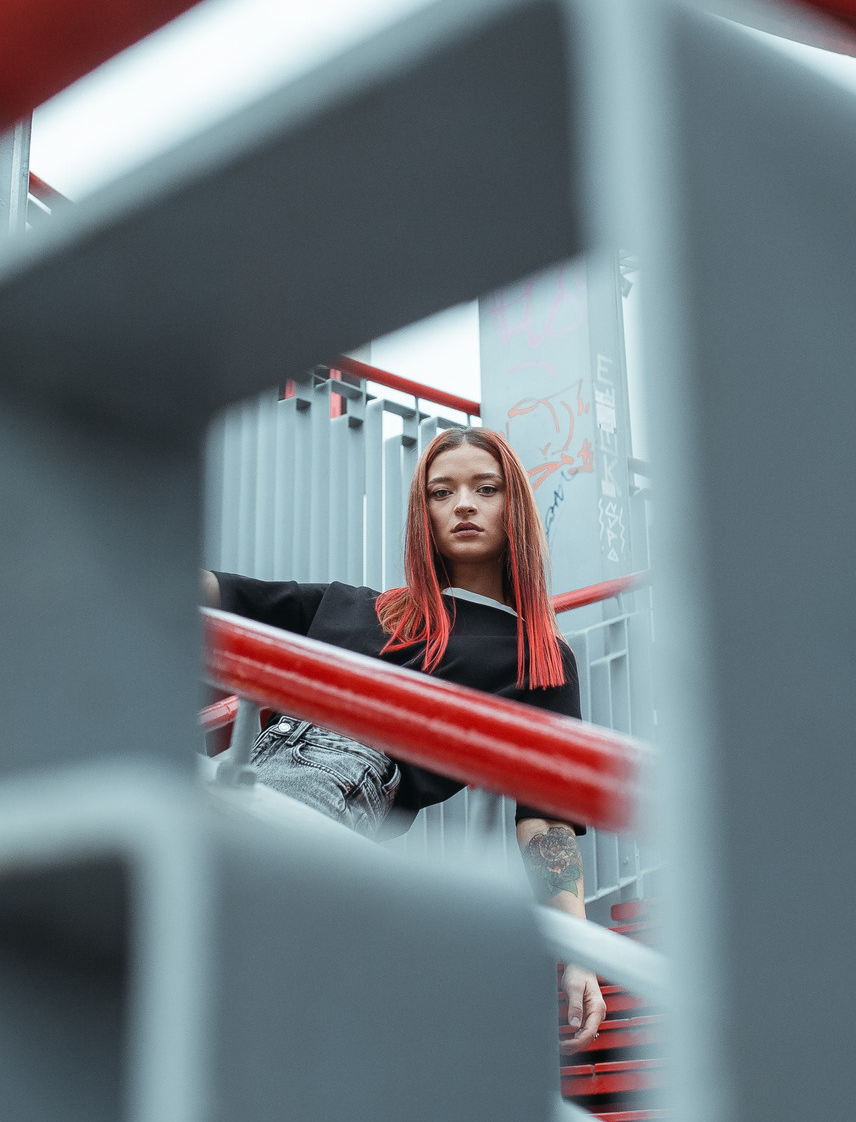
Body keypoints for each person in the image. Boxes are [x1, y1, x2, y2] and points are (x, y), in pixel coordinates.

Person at [203, 425, 607, 1049]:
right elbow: (222, 596)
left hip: (347, 783)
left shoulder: (536, 659)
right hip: (245, 765)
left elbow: (546, 821)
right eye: (441, 493)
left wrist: (576, 950)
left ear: (514, 507)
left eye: (485, 488)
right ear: (425, 515)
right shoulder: (355, 607)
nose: (464, 504)